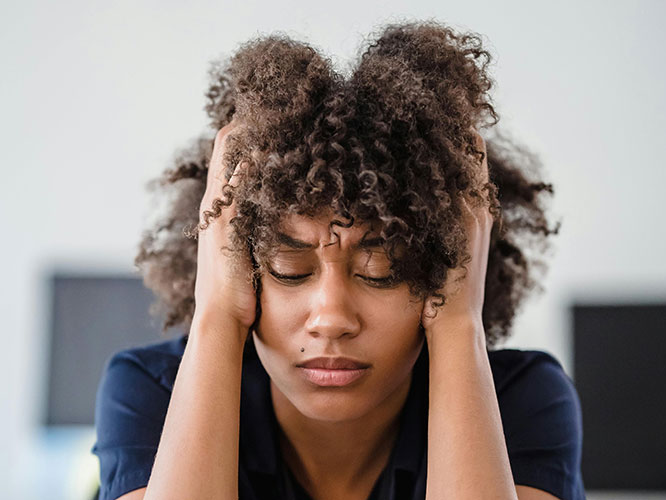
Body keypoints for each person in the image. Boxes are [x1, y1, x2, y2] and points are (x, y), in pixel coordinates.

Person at [91, 20, 585, 500]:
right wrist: (217, 315)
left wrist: (458, 325)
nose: (331, 318)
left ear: (447, 271)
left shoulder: (519, 401)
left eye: (382, 270)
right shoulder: (149, 391)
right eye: (289, 268)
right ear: (236, 266)